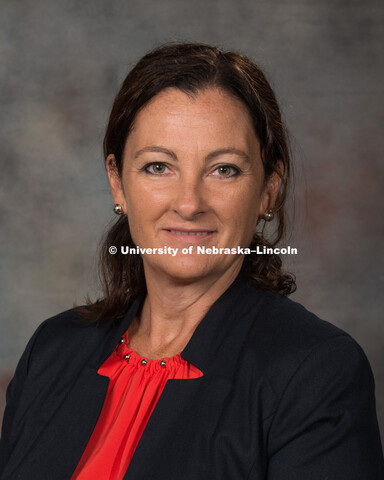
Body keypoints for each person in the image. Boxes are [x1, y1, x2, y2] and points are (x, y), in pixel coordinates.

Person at [0, 42, 383, 480]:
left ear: (268, 190)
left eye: (224, 169)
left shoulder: (315, 372)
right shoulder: (52, 351)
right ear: (117, 184)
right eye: (159, 167)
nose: (189, 203)